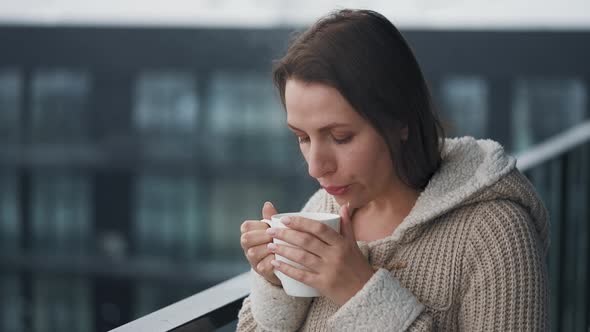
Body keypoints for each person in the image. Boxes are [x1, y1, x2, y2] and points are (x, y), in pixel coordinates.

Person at [237, 9, 549, 331]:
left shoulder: (495, 234)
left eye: (341, 137)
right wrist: (277, 284)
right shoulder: (325, 208)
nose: (315, 167)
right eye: (302, 137)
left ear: (400, 120)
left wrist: (359, 292)